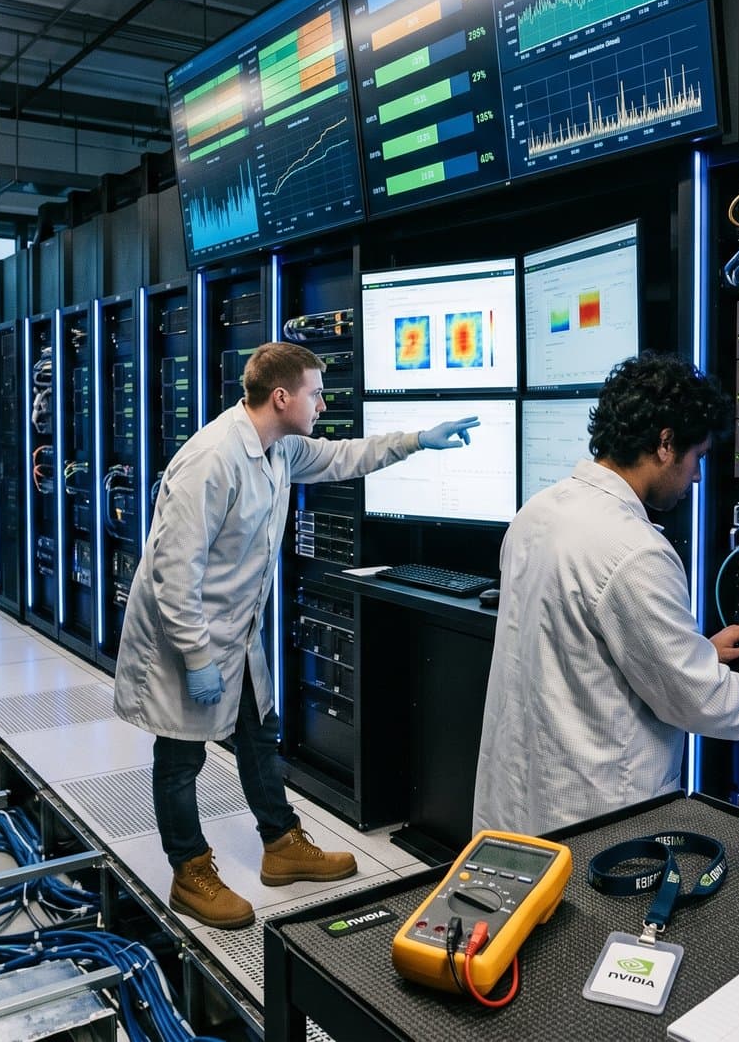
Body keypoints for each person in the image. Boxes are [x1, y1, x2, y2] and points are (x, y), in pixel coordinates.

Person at [113, 341, 479, 929]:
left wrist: (416, 440)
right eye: (315, 391)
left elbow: (341, 457)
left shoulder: (277, 448)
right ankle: (189, 871)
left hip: (235, 629)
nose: (323, 401)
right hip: (186, 635)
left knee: (260, 733)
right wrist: (199, 657)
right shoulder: (212, 460)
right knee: (181, 756)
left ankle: (282, 845)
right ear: (282, 397)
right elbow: (173, 574)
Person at [472, 353, 739, 834]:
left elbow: (577, 651)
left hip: (518, 810)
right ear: (666, 443)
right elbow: (701, 703)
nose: (696, 478)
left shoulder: (538, 512)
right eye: (698, 459)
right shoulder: (635, 551)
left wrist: (694, 652)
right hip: (595, 822)